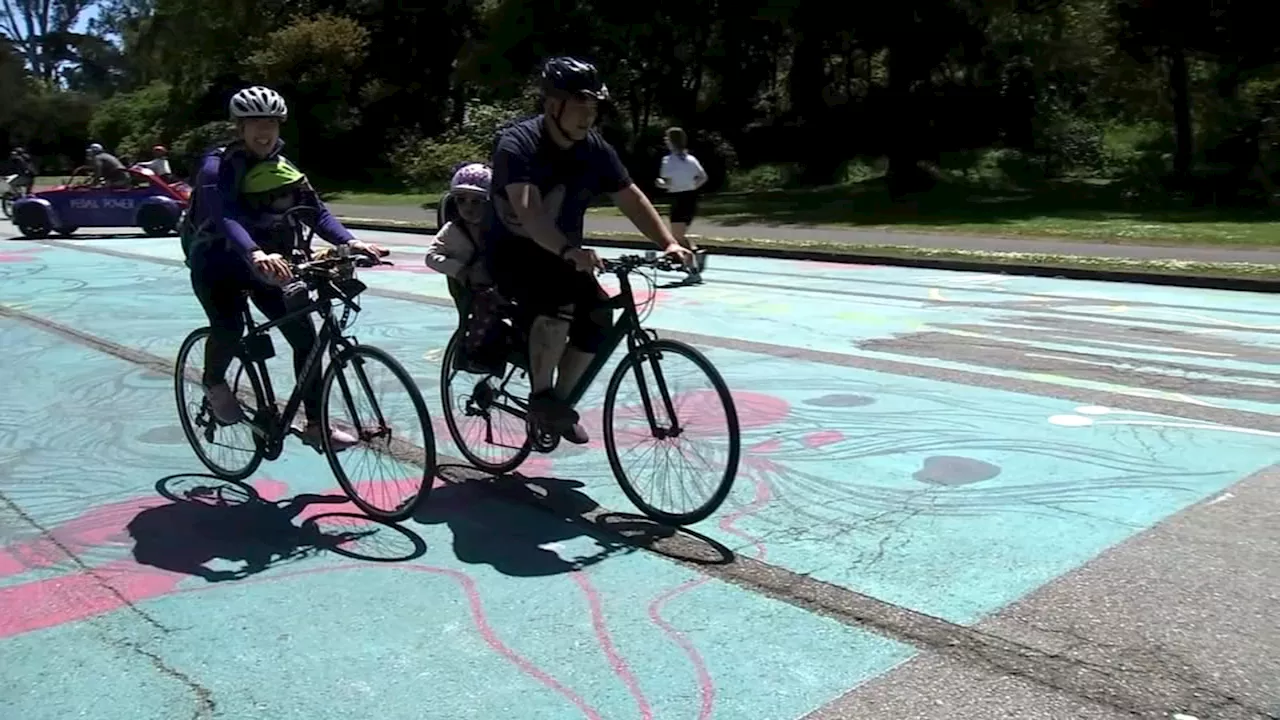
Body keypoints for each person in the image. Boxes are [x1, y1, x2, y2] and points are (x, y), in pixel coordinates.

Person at [482, 56, 694, 445]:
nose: (588, 117)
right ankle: (541, 398)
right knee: (556, 306)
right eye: (580, 107)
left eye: (593, 108)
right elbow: (529, 212)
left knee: (598, 316)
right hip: (512, 253)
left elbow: (629, 196)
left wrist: (668, 242)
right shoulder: (518, 145)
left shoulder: (593, 148)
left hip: (562, 252)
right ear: (552, 106)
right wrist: (568, 250)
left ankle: (560, 405)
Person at [182, 85, 386, 449]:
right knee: (227, 326)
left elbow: (316, 211)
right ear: (239, 127)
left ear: (280, 127)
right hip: (216, 261)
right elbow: (224, 214)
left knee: (305, 338)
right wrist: (255, 252)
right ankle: (214, 382)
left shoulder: (283, 166)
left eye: (271, 124)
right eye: (255, 123)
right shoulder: (217, 166)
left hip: (269, 266)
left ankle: (314, 425)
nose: (264, 132)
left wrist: (349, 241)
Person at [424, 162, 494, 325]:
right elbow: (431, 256)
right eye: (461, 200)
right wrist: (460, 271)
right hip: (466, 289)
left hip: (497, 287)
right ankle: (464, 348)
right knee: (472, 328)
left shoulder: (498, 227)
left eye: (477, 201)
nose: (468, 207)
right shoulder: (453, 229)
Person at [655, 126, 708, 282]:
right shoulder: (690, 159)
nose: (665, 140)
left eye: (667, 138)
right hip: (690, 197)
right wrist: (692, 187)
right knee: (679, 235)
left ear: (671, 141)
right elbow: (703, 177)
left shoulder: (668, 160)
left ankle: (693, 270)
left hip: (678, 197)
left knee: (677, 236)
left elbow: (667, 182)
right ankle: (696, 254)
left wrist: (660, 183)